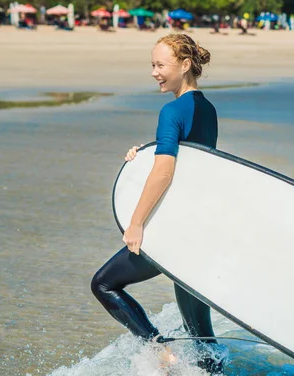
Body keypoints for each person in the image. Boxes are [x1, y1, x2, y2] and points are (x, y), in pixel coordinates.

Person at [91, 33, 222, 373]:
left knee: (104, 284)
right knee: (202, 339)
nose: (154, 72)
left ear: (185, 64)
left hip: (174, 228)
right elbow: (191, 165)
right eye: (152, 65)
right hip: (200, 227)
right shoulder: (207, 109)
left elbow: (165, 173)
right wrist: (145, 155)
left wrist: (136, 223)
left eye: (160, 65)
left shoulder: (172, 110)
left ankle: (158, 349)